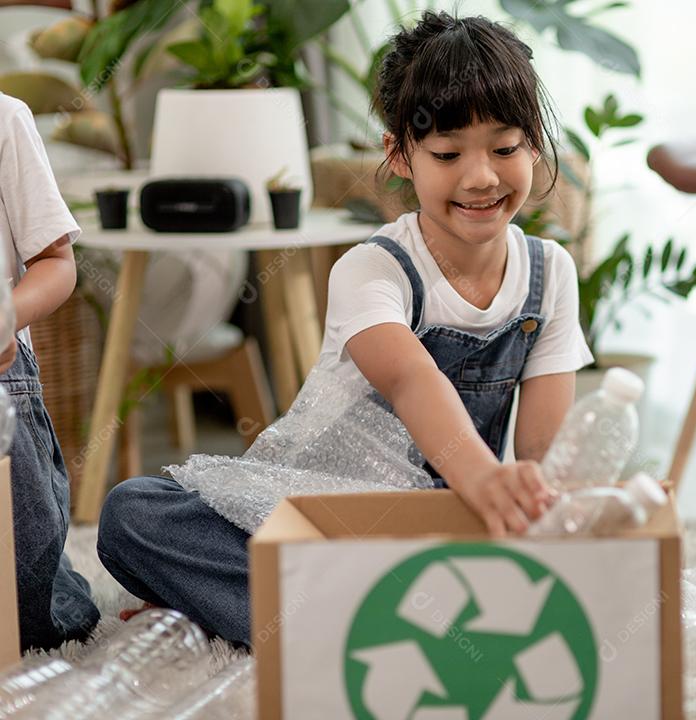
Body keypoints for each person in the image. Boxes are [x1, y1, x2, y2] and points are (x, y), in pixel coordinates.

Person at [96, 11, 593, 646]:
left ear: (535, 144)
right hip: (313, 515)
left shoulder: (550, 274)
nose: (480, 178)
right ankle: (374, 621)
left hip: (434, 528)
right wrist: (482, 476)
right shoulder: (373, 269)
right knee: (132, 515)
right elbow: (412, 378)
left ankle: (314, 614)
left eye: (505, 148)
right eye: (447, 154)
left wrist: (540, 501)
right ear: (399, 156)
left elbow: (543, 454)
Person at [0, 92, 100, 650]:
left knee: (28, 615)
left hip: (1, 379)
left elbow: (56, 265)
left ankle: (51, 580)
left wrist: (8, 313)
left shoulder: (5, 119)